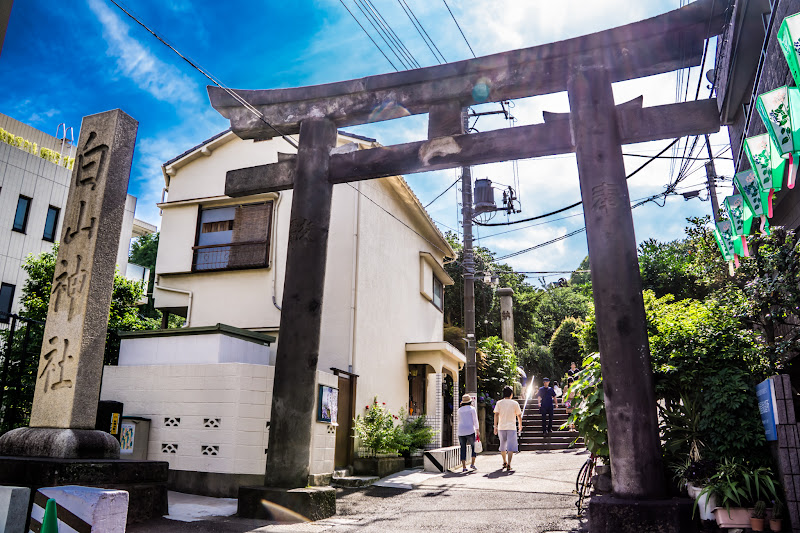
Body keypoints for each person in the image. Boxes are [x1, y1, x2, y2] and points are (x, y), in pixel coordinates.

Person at [493, 385, 522, 471]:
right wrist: (520, 425)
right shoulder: (515, 403)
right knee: (510, 447)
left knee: (502, 445)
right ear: (511, 394)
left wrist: (495, 426)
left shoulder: (499, 403)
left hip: (501, 427)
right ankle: (509, 463)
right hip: (511, 427)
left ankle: (504, 461)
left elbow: (496, 414)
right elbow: (519, 415)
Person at [457, 394, 480, 472]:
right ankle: (472, 464)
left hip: (461, 431)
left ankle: (464, 467)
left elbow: (458, 420)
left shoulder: (459, 410)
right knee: (473, 447)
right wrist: (477, 429)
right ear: (470, 401)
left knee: (462, 448)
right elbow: (475, 420)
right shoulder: (472, 409)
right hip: (470, 430)